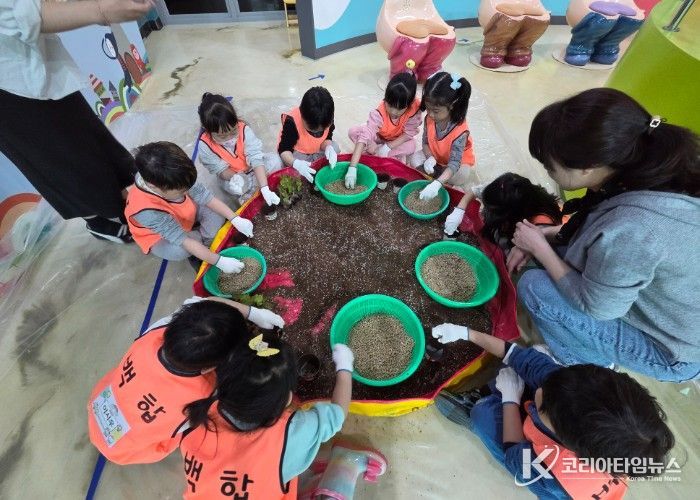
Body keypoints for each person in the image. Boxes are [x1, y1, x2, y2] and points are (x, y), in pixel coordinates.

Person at [511, 88, 700, 382]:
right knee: (556, 256)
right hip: (669, 303)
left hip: (673, 350)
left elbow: (596, 306)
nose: (548, 172)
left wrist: (540, 248)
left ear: (587, 168)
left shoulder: (634, 228)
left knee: (535, 287)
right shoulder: (645, 167)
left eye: (550, 166)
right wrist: (543, 235)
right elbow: (595, 232)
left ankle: (583, 364)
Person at [431, 323, 675, 499]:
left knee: (483, 415)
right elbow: (524, 360)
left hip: (542, 473)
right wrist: (466, 333)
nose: (540, 391)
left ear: (565, 438)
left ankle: (477, 406)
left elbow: (516, 457)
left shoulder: (554, 472)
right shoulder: (577, 393)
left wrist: (510, 401)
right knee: (534, 359)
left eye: (543, 407)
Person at [0, 0, 154, 243]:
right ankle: (101, 221)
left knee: (91, 142)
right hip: (11, 88)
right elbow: (21, 14)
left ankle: (126, 202)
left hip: (35, 66)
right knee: (63, 162)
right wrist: (100, 11)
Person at [179, 338, 387, 499]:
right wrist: (345, 366)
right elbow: (337, 414)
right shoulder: (290, 434)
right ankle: (345, 463)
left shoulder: (198, 412)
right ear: (288, 398)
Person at [87, 296, 285, 465]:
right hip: (125, 450)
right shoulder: (201, 395)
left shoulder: (158, 331)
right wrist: (252, 316)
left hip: (99, 404)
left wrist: (251, 313)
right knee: (176, 433)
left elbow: (200, 304)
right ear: (208, 369)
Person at [125, 141, 255, 272]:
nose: (187, 190)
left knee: (216, 212)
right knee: (181, 250)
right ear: (153, 186)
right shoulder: (144, 210)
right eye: (181, 191)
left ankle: (206, 245)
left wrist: (235, 218)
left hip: (183, 212)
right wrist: (218, 261)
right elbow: (181, 239)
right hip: (160, 235)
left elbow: (206, 197)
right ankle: (200, 251)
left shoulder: (177, 175)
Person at [443, 173, 562, 268]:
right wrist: (459, 211)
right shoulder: (504, 189)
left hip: (532, 251)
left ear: (508, 214)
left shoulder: (540, 223)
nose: (486, 209)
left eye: (493, 210)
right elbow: (474, 192)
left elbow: (537, 250)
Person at [197, 93, 281, 206]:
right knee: (232, 187)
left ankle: (258, 185)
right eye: (222, 136)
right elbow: (221, 171)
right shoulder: (205, 146)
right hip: (232, 175)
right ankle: (249, 190)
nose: (229, 138)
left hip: (252, 167)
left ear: (236, 120)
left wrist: (264, 188)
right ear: (207, 130)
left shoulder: (244, 129)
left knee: (275, 160)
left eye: (233, 132)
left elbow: (255, 157)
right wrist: (239, 179)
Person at [344, 73, 421, 188]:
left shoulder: (414, 109)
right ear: (385, 98)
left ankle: (376, 152)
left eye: (399, 109)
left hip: (398, 140)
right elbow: (365, 136)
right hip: (379, 136)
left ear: (409, 105)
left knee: (411, 146)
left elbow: (409, 133)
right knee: (353, 131)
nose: (394, 112)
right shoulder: (379, 113)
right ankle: (387, 156)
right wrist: (352, 168)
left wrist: (388, 147)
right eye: (390, 105)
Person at [407, 72, 475, 201]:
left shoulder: (460, 131)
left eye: (436, 111)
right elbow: (425, 142)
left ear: (452, 105)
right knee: (415, 159)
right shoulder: (430, 119)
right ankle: (440, 177)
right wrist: (430, 157)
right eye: (428, 109)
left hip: (455, 162)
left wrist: (437, 183)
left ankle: (439, 179)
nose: (431, 114)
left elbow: (455, 163)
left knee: (462, 175)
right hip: (436, 156)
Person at [266, 86, 340, 183]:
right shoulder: (292, 122)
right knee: (290, 169)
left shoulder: (327, 118)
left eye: (321, 130)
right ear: (302, 115)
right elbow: (284, 150)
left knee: (334, 148)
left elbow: (327, 137)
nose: (317, 133)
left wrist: (328, 147)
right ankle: (310, 165)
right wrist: (296, 163)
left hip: (315, 150)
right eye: (312, 130)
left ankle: (314, 164)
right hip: (298, 154)